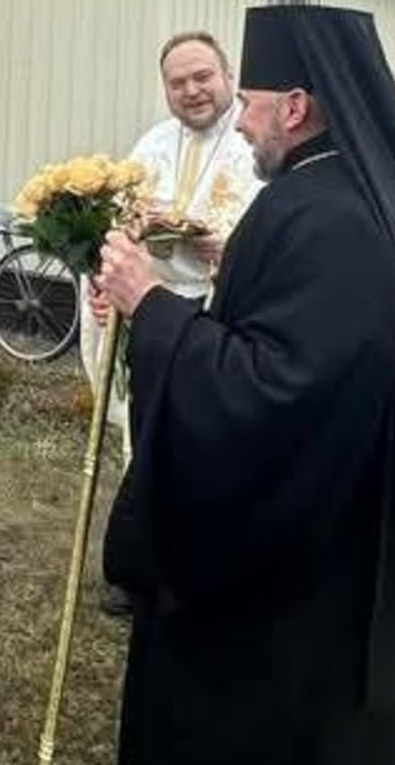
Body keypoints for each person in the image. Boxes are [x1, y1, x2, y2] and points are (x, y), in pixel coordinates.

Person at [96, 5, 395, 764]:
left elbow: (276, 393)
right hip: (345, 543)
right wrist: (234, 258)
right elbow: (311, 320)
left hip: (293, 602)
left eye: (251, 106)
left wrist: (151, 307)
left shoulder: (325, 215)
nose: (239, 126)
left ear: (294, 108)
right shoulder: (353, 192)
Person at [82, 33, 260, 614]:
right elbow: (116, 224)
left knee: (208, 450)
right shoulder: (152, 144)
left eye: (202, 76)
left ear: (227, 74)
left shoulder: (254, 142)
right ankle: (141, 571)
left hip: (220, 316)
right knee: (147, 440)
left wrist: (219, 245)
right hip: (152, 315)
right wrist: (104, 273)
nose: (191, 91)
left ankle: (201, 578)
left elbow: (275, 245)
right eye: (177, 82)